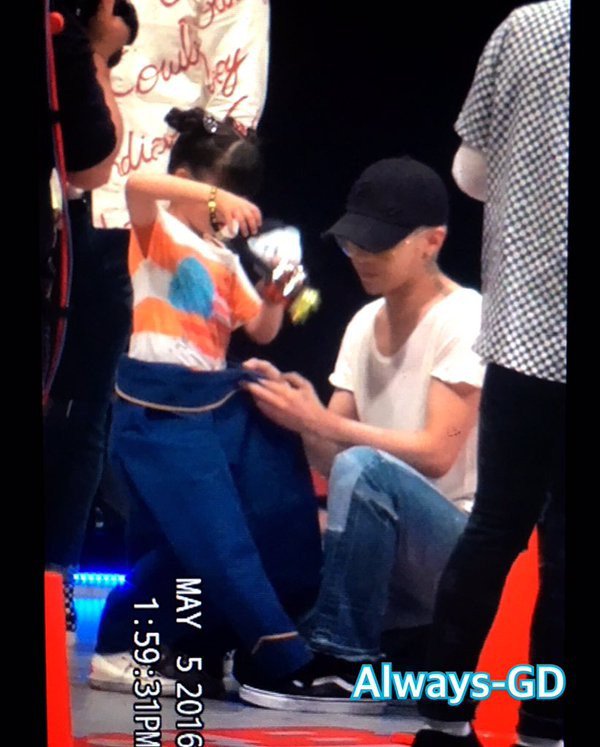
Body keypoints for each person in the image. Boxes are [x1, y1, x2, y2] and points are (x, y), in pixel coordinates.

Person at [237, 155, 486, 712]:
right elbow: (331, 460)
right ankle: (349, 641)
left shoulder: (465, 316)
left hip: (454, 545)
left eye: (380, 245)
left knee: (365, 465)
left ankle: (343, 661)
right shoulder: (362, 323)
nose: (363, 257)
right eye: (354, 244)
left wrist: (321, 421)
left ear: (432, 242)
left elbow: (438, 454)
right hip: (382, 549)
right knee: (268, 457)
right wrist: (293, 412)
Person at [89, 107, 323, 696]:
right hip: (155, 408)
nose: (227, 213)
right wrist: (213, 198)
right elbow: (138, 184)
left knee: (180, 543)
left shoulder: (225, 259)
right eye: (219, 197)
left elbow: (262, 330)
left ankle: (143, 648)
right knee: (215, 540)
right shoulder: (158, 234)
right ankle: (280, 655)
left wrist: (278, 290)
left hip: (202, 413)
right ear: (187, 180)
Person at [412, 3, 569, 746]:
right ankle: (548, 721)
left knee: (497, 524)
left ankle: (443, 717)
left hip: (526, 334)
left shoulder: (527, 26)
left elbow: (470, 174)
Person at [42, 0, 137, 639]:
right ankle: (55, 579)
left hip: (86, 248)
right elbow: (94, 160)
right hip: (71, 243)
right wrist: (95, 52)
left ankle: (56, 578)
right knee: (79, 425)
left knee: (85, 423)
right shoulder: (67, 35)